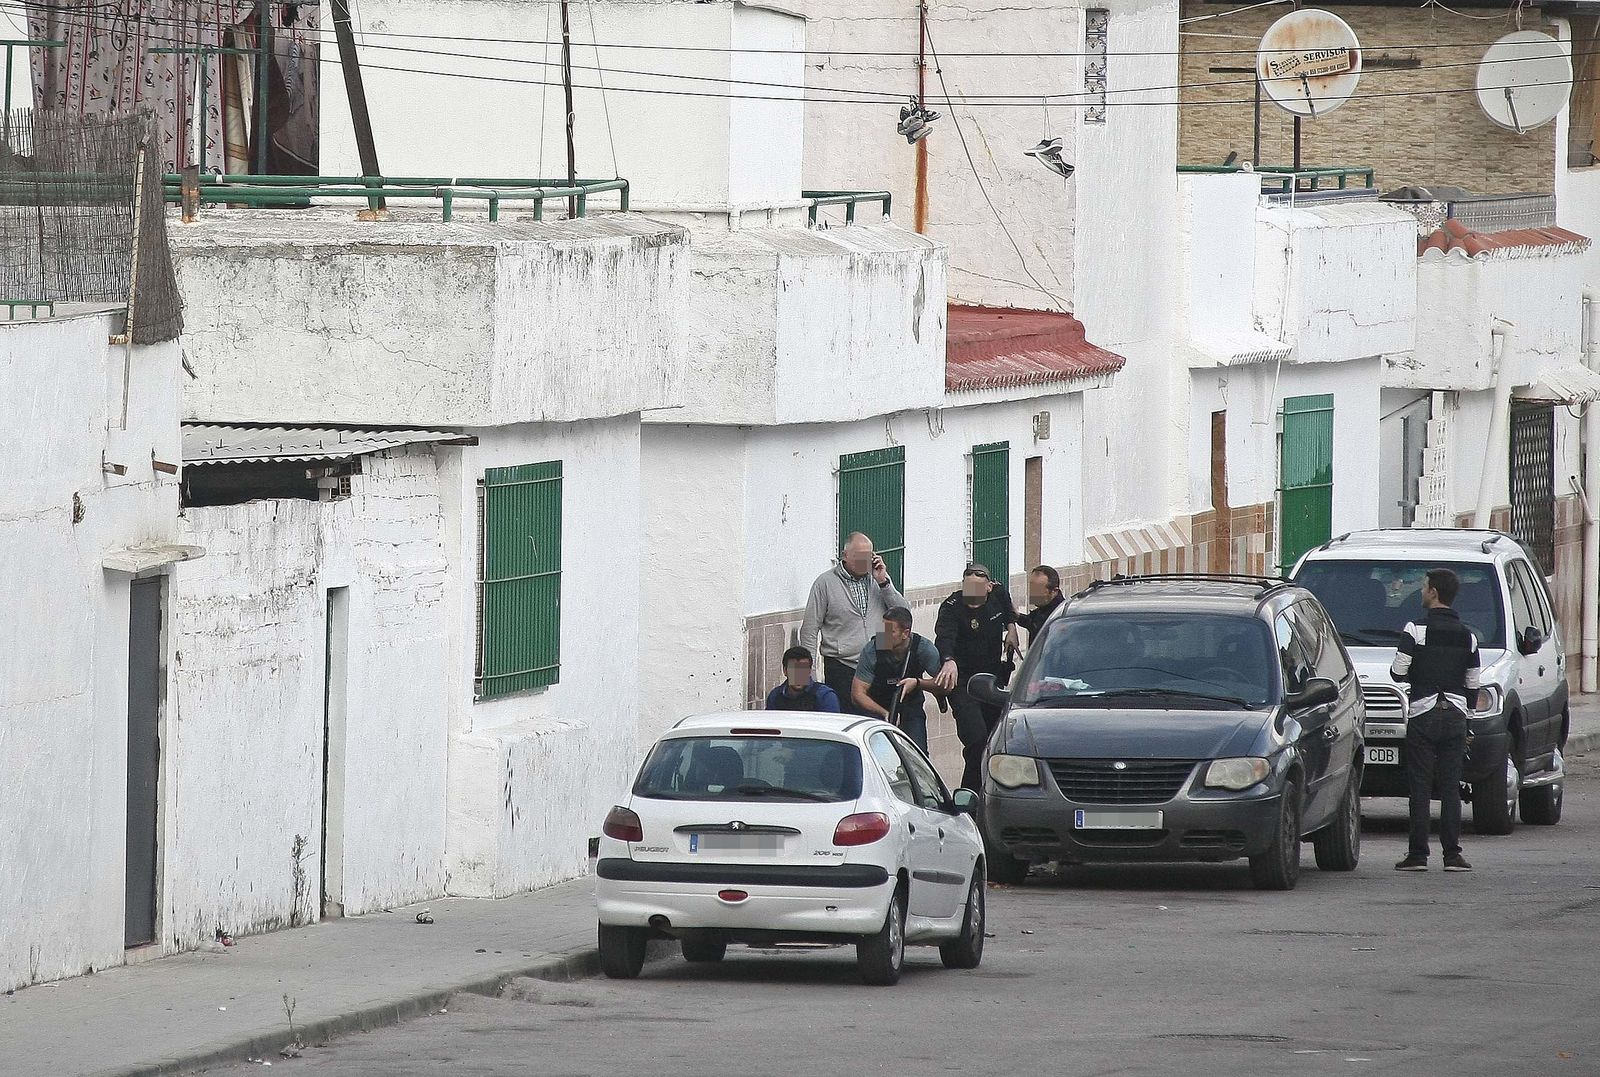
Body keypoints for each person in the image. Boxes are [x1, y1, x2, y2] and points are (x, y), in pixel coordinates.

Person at [1390, 567, 1481, 874]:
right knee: (1451, 787)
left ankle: (1418, 855)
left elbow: (1397, 671)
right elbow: (1473, 683)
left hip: (1423, 713)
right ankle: (1452, 854)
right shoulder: (1468, 636)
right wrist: (1467, 721)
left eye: (1424, 587)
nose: (1421, 591)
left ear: (1434, 593)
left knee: (1420, 786)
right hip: (1455, 714)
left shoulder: (1415, 629)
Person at [799, 532, 906, 715]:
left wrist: (884, 583)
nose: (865, 561)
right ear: (845, 555)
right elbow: (809, 630)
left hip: (878, 664)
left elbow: (904, 614)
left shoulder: (878, 580)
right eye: (859, 556)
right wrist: (810, 676)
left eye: (869, 556)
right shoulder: (825, 583)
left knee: (883, 722)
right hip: (843, 667)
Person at [933, 564, 1019, 791]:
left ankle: (988, 792)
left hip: (991, 680)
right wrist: (948, 659)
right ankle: (969, 797)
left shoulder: (998, 594)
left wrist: (1011, 628)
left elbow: (1008, 606)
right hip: (963, 683)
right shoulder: (952, 607)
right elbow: (944, 637)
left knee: (996, 740)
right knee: (976, 740)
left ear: (989, 587)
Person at [854, 607, 943, 752]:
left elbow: (944, 685)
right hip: (876, 708)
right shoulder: (872, 650)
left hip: (910, 707)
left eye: (890, 632)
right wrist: (884, 713)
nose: (883, 635)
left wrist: (917, 683)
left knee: (917, 753)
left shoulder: (923, 648)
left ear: (905, 634)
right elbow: (858, 693)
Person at [764, 646, 841, 712]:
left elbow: (830, 726)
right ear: (785, 671)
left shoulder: (825, 696)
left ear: (809, 671)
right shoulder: (775, 696)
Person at [1017, 564, 1065, 644]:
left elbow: (1038, 625)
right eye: (1032, 588)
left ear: (1054, 591)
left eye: (1039, 589)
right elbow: (1032, 621)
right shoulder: (1043, 609)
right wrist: (1016, 616)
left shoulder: (1061, 617)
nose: (1033, 593)